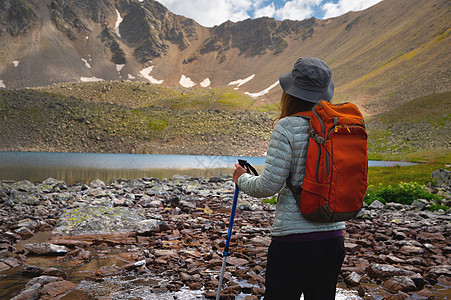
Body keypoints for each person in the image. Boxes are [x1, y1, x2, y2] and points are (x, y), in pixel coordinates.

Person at [233, 57, 345, 300]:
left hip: (294, 241)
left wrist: (241, 179)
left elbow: (267, 186)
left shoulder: (287, 126)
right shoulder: (338, 125)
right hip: (333, 237)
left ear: (291, 94)